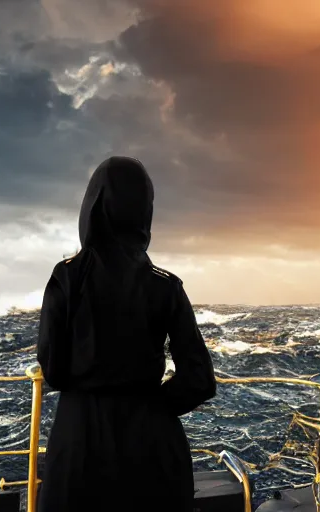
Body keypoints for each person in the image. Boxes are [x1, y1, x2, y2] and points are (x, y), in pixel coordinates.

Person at [36, 156, 216, 511]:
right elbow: (199, 379)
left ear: (93, 206)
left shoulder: (66, 278)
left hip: (79, 445)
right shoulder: (166, 286)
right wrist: (151, 407)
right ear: (144, 212)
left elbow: (53, 371)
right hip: (151, 449)